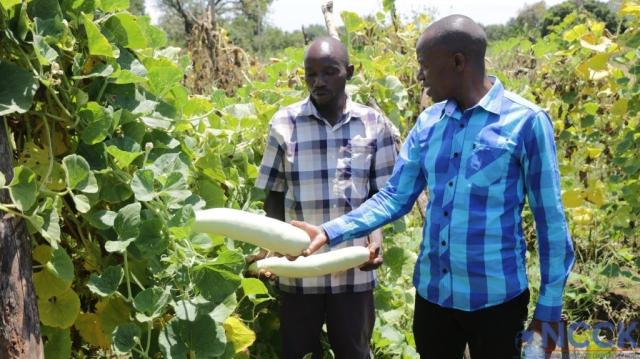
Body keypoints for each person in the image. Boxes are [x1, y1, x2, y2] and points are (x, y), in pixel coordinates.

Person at [293, 15, 575, 358]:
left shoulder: (526, 122)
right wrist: (329, 231)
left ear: (458, 62)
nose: (419, 76)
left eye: (424, 65)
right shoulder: (429, 123)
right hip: (433, 299)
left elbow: (552, 226)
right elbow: (394, 197)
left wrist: (548, 316)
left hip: (497, 302)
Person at [253, 36, 398, 359]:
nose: (318, 82)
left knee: (354, 351)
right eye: (310, 74)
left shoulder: (374, 125)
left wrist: (375, 241)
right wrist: (273, 246)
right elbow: (274, 193)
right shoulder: (283, 123)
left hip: (352, 268)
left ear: (349, 71)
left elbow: (382, 195)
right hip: (298, 269)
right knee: (297, 352)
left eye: (329, 72)